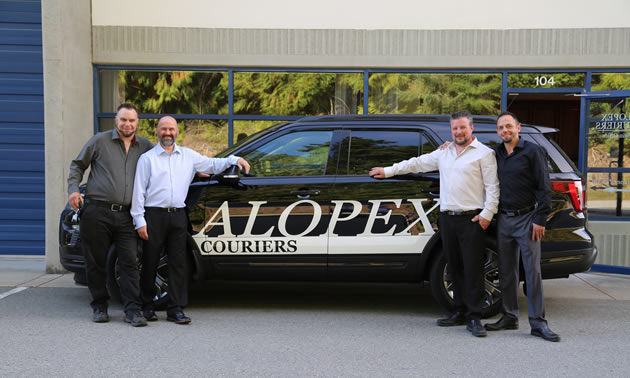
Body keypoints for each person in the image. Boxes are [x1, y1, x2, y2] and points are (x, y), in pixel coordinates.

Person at [370, 110, 499, 337]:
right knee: (455, 266)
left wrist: (487, 214)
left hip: (473, 219)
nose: (458, 132)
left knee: (473, 269)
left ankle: (474, 317)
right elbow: (417, 163)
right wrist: (388, 171)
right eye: (455, 128)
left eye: (462, 127)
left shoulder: (484, 154)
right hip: (448, 218)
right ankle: (458, 311)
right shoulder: (444, 152)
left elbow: (493, 187)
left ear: (471, 128)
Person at [131, 116, 250, 325]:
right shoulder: (147, 159)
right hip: (153, 215)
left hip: (178, 215)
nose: (167, 133)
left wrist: (234, 160)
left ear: (177, 132)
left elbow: (213, 164)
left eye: (171, 129)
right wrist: (139, 220)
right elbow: (138, 192)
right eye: (163, 129)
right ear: (157, 132)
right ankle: (147, 306)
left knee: (178, 264)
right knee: (150, 263)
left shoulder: (188, 156)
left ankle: (175, 309)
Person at [67, 103, 153, 326]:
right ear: (116, 120)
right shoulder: (99, 141)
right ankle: (99, 306)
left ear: (137, 123)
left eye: (132, 120)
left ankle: (132, 310)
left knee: (130, 262)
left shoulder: (144, 146)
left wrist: (197, 170)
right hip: (97, 211)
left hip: (127, 215)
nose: (127, 124)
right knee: (95, 262)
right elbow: (78, 165)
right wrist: (74, 190)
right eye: (123, 119)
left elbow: (166, 162)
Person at [483, 111, 560, 342]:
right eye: (500, 128)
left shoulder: (533, 151)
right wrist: (447, 147)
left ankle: (538, 323)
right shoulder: (495, 153)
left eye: (508, 126)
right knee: (507, 271)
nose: (504, 131)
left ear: (518, 128)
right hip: (504, 219)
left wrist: (540, 219)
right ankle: (509, 316)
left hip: (528, 219)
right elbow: (471, 153)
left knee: (532, 272)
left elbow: (544, 187)